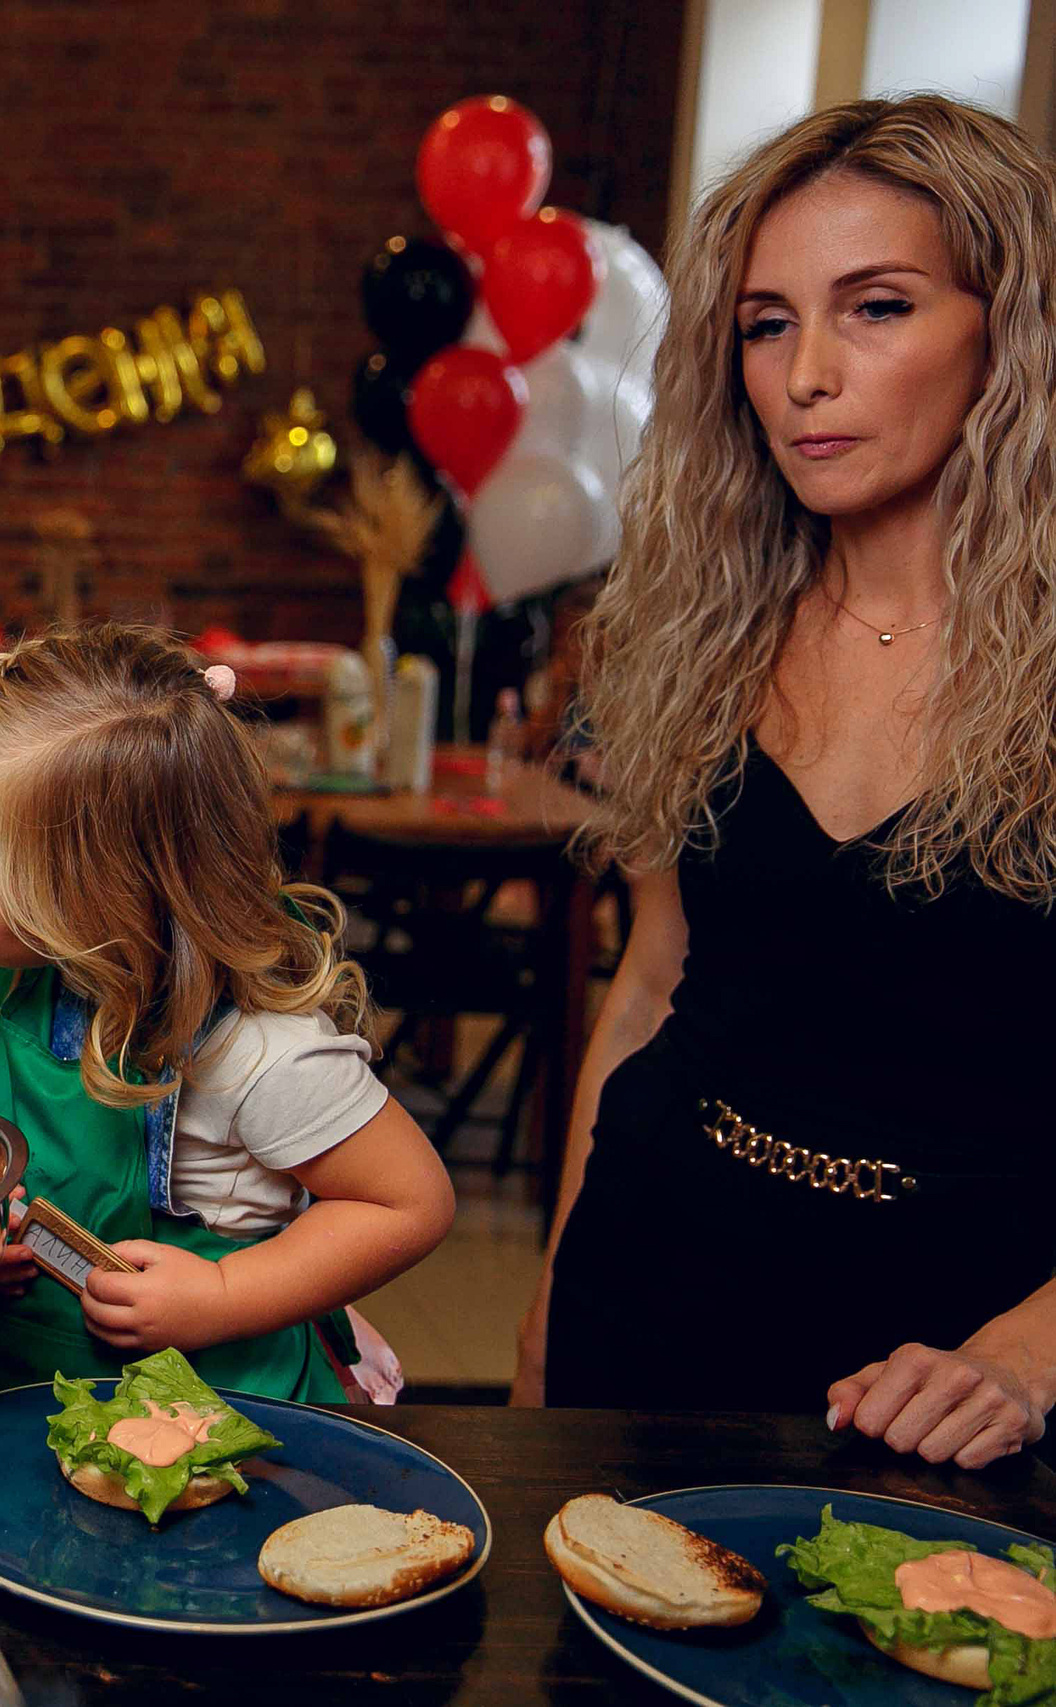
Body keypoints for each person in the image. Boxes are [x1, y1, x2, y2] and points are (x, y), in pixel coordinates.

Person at [516, 97, 1056, 1468]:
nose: (807, 371)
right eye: (766, 323)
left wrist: (1030, 1348)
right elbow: (650, 985)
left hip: (958, 1352)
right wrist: (549, 1303)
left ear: (1010, 328)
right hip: (655, 1273)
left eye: (876, 307)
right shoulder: (694, 623)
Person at [0, 624, 455, 1400]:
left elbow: (410, 1202)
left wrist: (224, 1294)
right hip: (21, 1387)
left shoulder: (261, 1051)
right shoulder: (21, 977)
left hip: (221, 1410)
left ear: (88, 902)